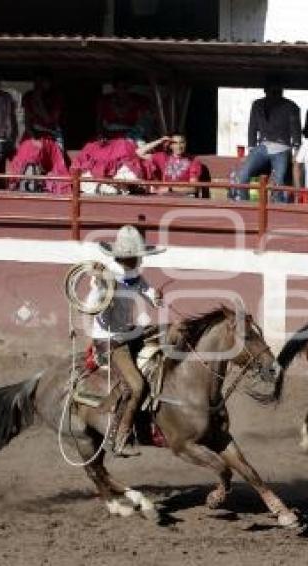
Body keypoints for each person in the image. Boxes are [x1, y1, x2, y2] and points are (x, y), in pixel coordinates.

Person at [86, 225, 164, 456]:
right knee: (137, 385)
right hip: (110, 341)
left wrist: (155, 297)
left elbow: (146, 288)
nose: (141, 260)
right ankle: (120, 436)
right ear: (126, 256)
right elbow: (92, 306)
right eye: (138, 256)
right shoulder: (105, 278)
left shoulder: (133, 274)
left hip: (128, 332)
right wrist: (102, 288)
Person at [232, 84, 301, 203]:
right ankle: (244, 203)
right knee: (243, 175)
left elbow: (296, 129)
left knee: (279, 180)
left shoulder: (291, 106)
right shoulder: (257, 104)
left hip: (282, 146)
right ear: (266, 91)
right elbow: (252, 127)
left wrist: (296, 149)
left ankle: (279, 208)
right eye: (271, 90)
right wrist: (251, 149)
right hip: (263, 146)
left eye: (277, 90)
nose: (274, 93)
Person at [136, 133, 202, 197]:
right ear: (171, 145)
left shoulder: (193, 161)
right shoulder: (163, 157)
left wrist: (170, 189)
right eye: (175, 143)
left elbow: (193, 188)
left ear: (185, 144)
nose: (179, 146)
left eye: (182, 142)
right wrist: (160, 141)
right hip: (164, 197)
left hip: (183, 198)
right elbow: (139, 152)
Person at [22, 71, 64, 146]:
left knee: (57, 153)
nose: (39, 85)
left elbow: (49, 119)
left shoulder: (55, 97)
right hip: (33, 133)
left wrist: (39, 100)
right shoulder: (28, 96)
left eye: (42, 81)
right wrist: (34, 138)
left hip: (51, 133)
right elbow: (27, 121)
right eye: (37, 81)